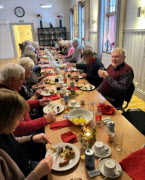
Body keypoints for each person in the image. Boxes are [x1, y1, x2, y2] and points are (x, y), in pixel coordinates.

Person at [0, 88, 53, 180]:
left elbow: (13, 142)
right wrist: (37, 174)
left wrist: (32, 138)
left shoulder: (3, 130)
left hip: (29, 164)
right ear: (6, 119)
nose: (22, 119)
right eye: (18, 117)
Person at [0, 63, 56, 136]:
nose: (24, 82)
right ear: (11, 80)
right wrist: (45, 119)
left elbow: (20, 105)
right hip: (27, 134)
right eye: (21, 79)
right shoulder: (5, 97)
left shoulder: (9, 89)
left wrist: (38, 102)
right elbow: (18, 128)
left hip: (30, 125)